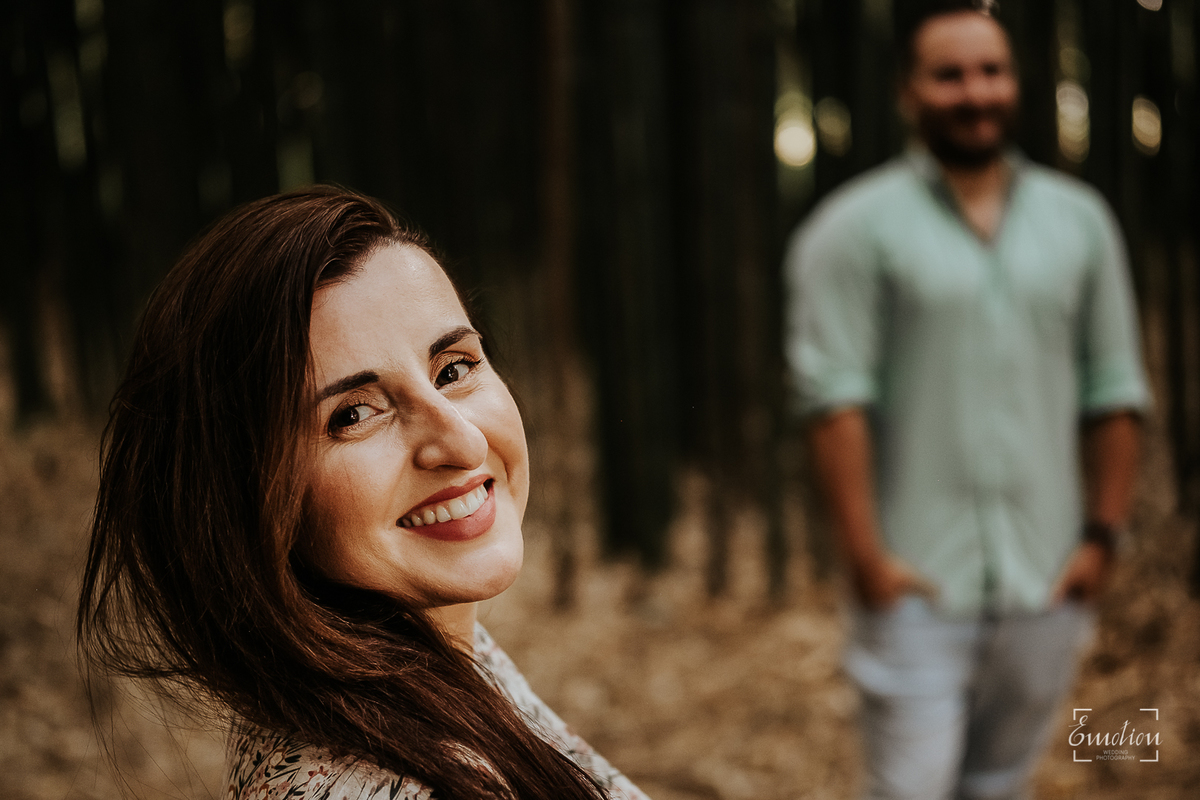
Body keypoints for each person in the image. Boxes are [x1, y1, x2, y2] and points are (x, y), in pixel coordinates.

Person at [77, 187, 649, 800]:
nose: (461, 443)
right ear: (246, 500)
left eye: (453, 369)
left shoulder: (434, 652)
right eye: (352, 414)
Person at [784, 2, 1149, 799]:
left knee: (996, 786)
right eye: (948, 75)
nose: (973, 91)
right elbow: (833, 401)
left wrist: (1100, 540)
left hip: (1047, 578)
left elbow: (1114, 389)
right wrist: (868, 562)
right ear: (908, 93)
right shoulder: (849, 231)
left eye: (989, 71)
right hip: (918, 583)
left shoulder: (1081, 223)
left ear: (1015, 83)